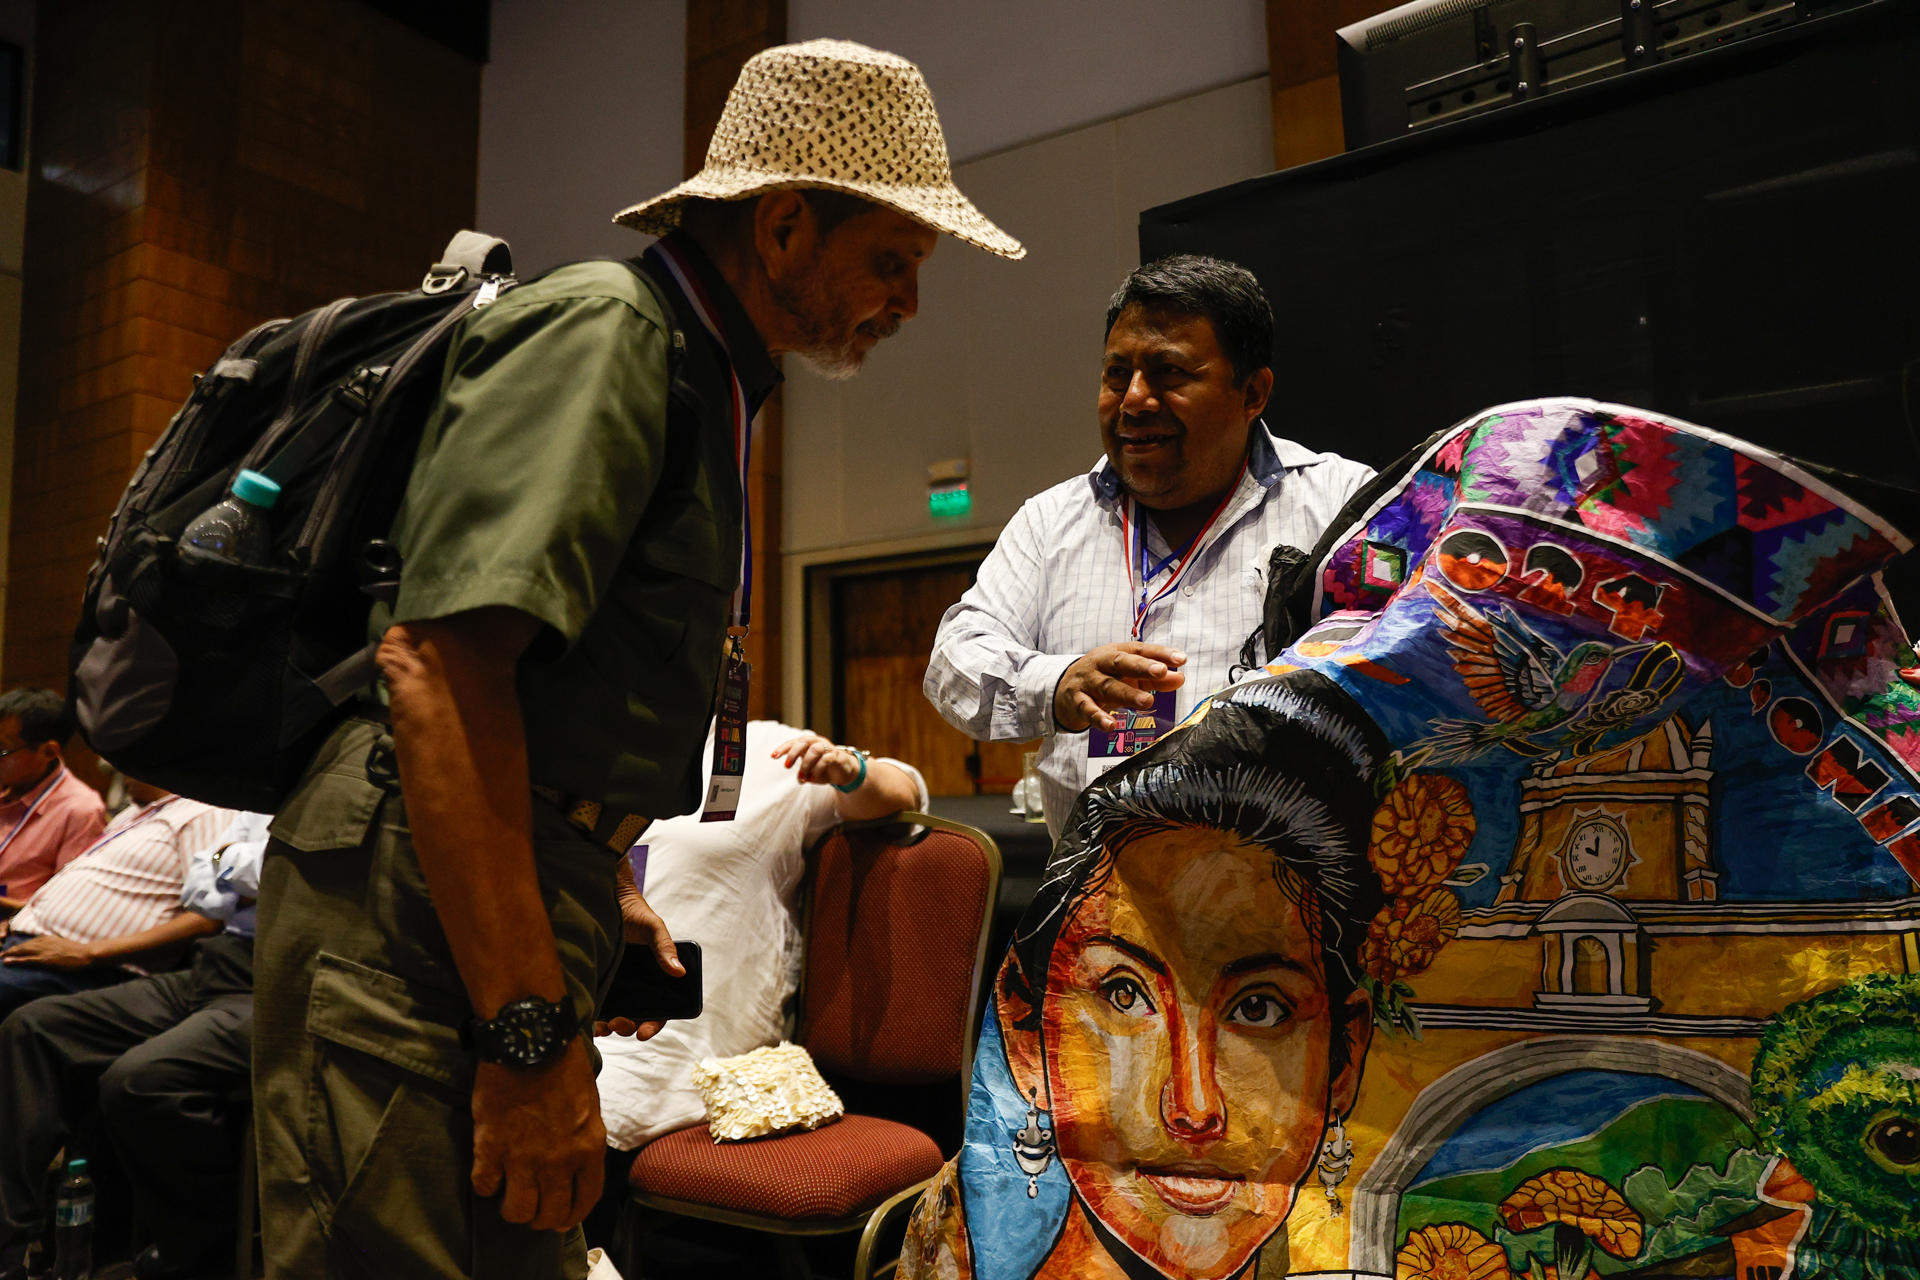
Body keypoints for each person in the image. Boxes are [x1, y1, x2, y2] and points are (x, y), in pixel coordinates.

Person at [250, 38, 1022, 1280]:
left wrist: (603, 886)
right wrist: (523, 1031)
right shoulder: (613, 336)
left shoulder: (697, 371)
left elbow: (553, 688)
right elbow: (440, 670)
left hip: (504, 882)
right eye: (892, 258)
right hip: (414, 900)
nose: (909, 302)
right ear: (780, 228)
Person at [901, 674, 1387, 1280]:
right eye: (1124, 995)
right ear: (1028, 1031)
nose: (1193, 1108)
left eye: (1260, 1009)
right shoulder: (950, 1249)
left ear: (1345, 1058)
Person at [925, 255, 1374, 837]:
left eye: (1169, 373)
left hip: (1291, 903)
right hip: (1096, 907)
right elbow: (955, 656)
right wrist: (1057, 685)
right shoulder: (1051, 522)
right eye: (1117, 374)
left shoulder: (1344, 506)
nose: (1134, 399)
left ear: (1253, 391)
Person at [593, 722, 925, 1149]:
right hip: (596, 1004)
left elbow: (901, 794)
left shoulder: (768, 752)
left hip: (696, 1040)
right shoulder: (594, 747)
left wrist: (851, 769)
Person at [0, 811, 270, 1280]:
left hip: (271, 977)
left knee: (140, 1081)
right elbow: (201, 888)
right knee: (33, 1029)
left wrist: (233, 862)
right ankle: (8, 1245)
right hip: (212, 966)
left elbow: (268, 870)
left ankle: (200, 1257)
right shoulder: (262, 794)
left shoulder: (220, 805)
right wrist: (238, 865)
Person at [0, 779, 234, 1023]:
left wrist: (90, 953)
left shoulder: (206, 812)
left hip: (91, 967)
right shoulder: (135, 811)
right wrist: (20, 917)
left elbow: (208, 918)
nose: (118, 772)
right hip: (29, 945)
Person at [0, 688, 106, 912]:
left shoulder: (80, 810)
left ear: (48, 752)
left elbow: (66, 907)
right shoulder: (8, 781)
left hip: (16, 933)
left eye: (2, 751)